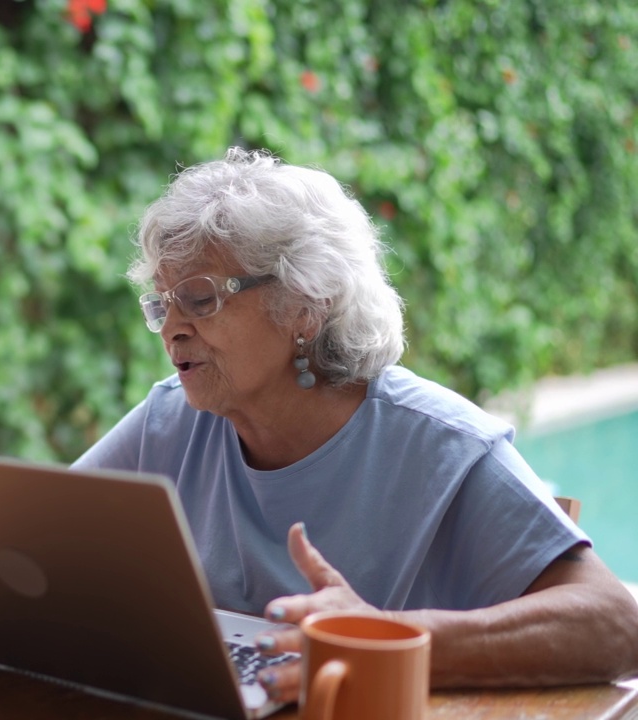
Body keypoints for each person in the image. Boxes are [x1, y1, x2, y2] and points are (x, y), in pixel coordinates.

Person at [72, 148, 638, 703]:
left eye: (199, 299)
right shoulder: (170, 419)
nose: (171, 327)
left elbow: (617, 626)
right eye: (162, 303)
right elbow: (38, 545)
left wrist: (383, 640)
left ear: (305, 305)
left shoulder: (443, 446)